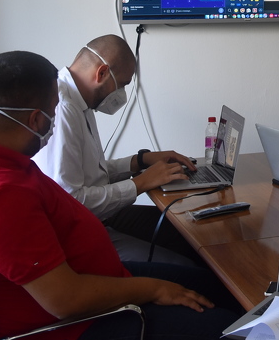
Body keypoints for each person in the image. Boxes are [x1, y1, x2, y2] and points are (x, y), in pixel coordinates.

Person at [0, 50, 241, 340]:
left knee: (222, 289)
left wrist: (139, 162)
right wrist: (155, 289)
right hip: (80, 322)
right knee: (233, 328)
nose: (54, 122)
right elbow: (67, 301)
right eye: (52, 113)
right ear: (36, 120)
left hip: (97, 277)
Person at [33, 34, 198, 264]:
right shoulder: (64, 109)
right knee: (183, 268)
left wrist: (140, 161)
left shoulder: (80, 101)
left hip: (98, 217)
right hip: (78, 232)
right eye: (122, 84)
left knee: (185, 230)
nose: (121, 94)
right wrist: (141, 183)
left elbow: (91, 172)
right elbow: (71, 202)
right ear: (101, 73)